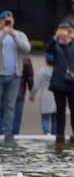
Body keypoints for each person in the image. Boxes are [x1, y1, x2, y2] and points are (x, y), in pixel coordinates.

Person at [46, 22, 74, 141]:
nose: (65, 34)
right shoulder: (55, 45)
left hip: (73, 81)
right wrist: (55, 38)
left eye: (67, 31)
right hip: (59, 81)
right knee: (60, 110)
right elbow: (48, 50)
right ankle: (60, 134)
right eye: (62, 31)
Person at [0, 10, 32, 141]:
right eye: (4, 19)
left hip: (15, 75)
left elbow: (27, 49)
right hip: (0, 75)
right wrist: (3, 34)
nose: (7, 21)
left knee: (10, 105)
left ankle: (7, 133)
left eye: (9, 19)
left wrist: (13, 35)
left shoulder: (20, 34)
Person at [30, 54, 57, 135]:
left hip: (45, 96)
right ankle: (54, 135)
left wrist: (32, 95)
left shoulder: (42, 71)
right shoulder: (59, 70)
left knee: (45, 118)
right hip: (57, 96)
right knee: (55, 119)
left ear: (46, 60)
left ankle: (47, 133)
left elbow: (36, 85)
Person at [11, 57, 33, 134]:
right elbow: (30, 77)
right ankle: (14, 135)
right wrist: (31, 91)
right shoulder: (26, 59)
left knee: (4, 113)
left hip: (7, 91)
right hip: (20, 90)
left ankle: (3, 135)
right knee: (17, 116)